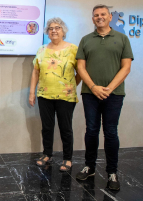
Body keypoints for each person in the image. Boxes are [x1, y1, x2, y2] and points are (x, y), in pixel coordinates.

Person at [75, 4, 133, 191]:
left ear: (110, 17)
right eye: (96, 15)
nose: (99, 17)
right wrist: (93, 87)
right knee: (91, 130)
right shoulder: (85, 40)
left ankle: (112, 172)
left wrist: (108, 88)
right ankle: (89, 167)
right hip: (89, 94)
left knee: (111, 132)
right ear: (92, 19)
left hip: (114, 94)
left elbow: (126, 67)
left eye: (102, 14)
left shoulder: (122, 38)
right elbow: (81, 67)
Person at [29, 17, 81, 172]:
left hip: (66, 96)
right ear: (47, 32)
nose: (54, 30)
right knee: (47, 127)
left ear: (63, 31)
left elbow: (81, 72)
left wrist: (70, 85)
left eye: (57, 28)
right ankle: (47, 154)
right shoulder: (42, 49)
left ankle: (67, 158)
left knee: (66, 128)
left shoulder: (73, 49)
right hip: (44, 95)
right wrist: (32, 93)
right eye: (50, 28)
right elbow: (35, 72)